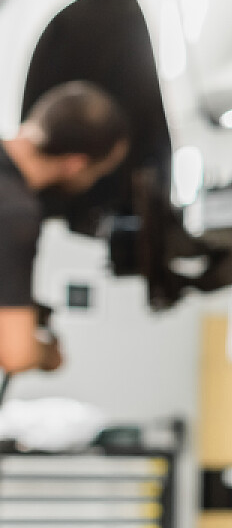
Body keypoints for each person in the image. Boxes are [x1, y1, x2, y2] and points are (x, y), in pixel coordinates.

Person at [0, 82, 129, 376]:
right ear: (75, 164)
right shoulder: (16, 212)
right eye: (99, 173)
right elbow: (16, 353)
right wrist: (48, 353)